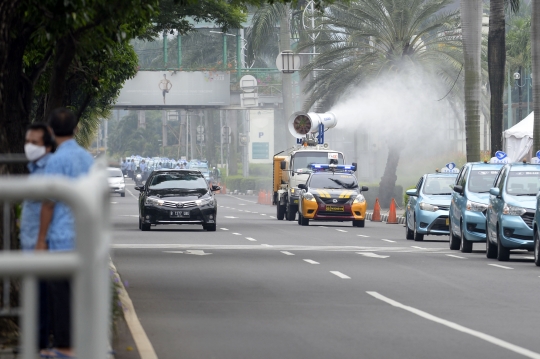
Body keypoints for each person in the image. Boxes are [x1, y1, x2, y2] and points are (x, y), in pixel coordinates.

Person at [36, 108, 93, 358]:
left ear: (50, 131)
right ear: (75, 129)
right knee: (81, 295)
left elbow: (48, 203)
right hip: (84, 239)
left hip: (60, 239)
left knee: (60, 297)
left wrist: (40, 240)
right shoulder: (87, 159)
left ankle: (64, 348)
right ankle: (83, 343)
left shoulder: (55, 161)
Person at [19, 123, 55, 350]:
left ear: (48, 146)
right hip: (32, 243)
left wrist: (41, 239)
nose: (29, 147)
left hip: (41, 245)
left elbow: (48, 206)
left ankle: (39, 345)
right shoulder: (35, 168)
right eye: (27, 142)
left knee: (41, 298)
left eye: (35, 143)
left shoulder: (48, 170)